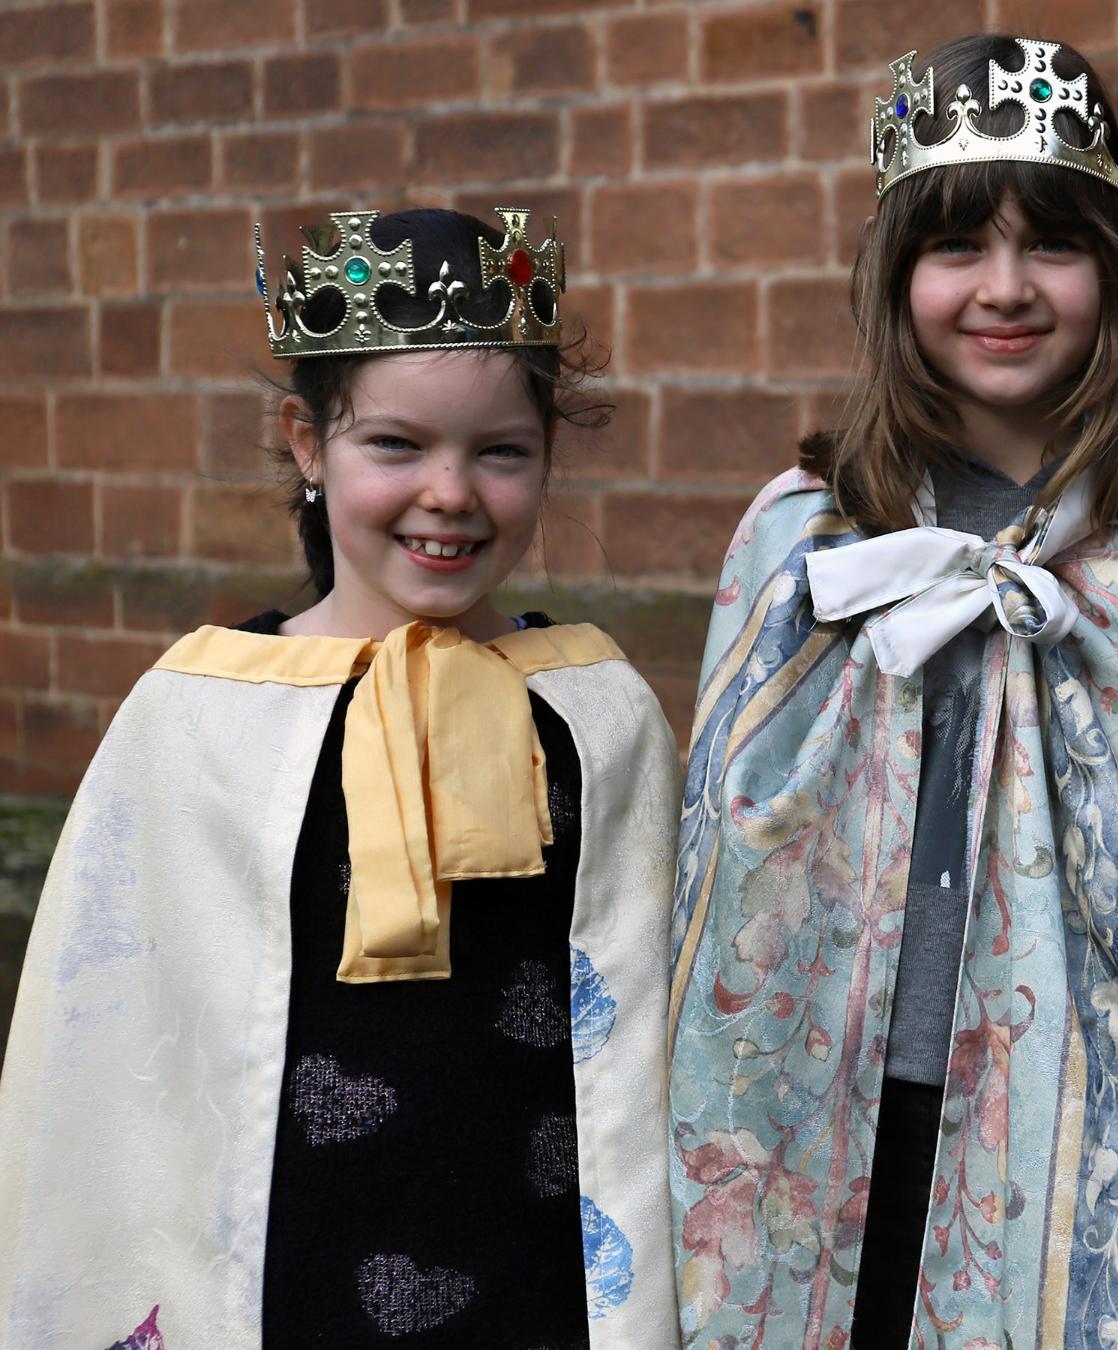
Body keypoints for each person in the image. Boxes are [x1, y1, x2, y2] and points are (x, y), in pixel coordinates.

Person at [667, 32, 1118, 1349]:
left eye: (1051, 247)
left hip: (1086, 1122)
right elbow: (723, 841)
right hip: (837, 1101)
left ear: (1111, 276)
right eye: (958, 248)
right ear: (898, 275)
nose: (1005, 289)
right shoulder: (806, 536)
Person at [0, 207, 680, 1346]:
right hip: (282, 1268)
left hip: (546, 1266)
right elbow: (115, 1052)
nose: (450, 493)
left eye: (500, 451)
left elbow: (655, 1023)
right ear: (309, 444)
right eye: (396, 445)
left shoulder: (599, 715)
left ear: (549, 453)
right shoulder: (200, 718)